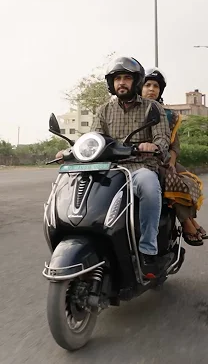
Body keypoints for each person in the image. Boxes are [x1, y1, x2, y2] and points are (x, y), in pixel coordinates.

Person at [56, 57, 171, 278]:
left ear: (136, 81)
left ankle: (148, 250)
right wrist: (71, 151)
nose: (122, 83)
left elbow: (163, 140)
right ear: (111, 83)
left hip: (139, 167)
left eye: (127, 78)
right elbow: (93, 139)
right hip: (108, 168)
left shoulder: (152, 108)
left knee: (149, 185)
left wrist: (154, 146)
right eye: (117, 78)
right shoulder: (103, 111)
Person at [141, 67, 206, 246]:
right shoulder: (133, 111)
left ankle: (186, 221)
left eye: (156, 86)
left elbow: (174, 145)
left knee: (182, 179)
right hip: (138, 160)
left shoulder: (168, 114)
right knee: (167, 177)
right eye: (147, 85)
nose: (151, 89)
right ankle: (189, 222)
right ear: (140, 87)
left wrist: (171, 161)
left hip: (163, 159)